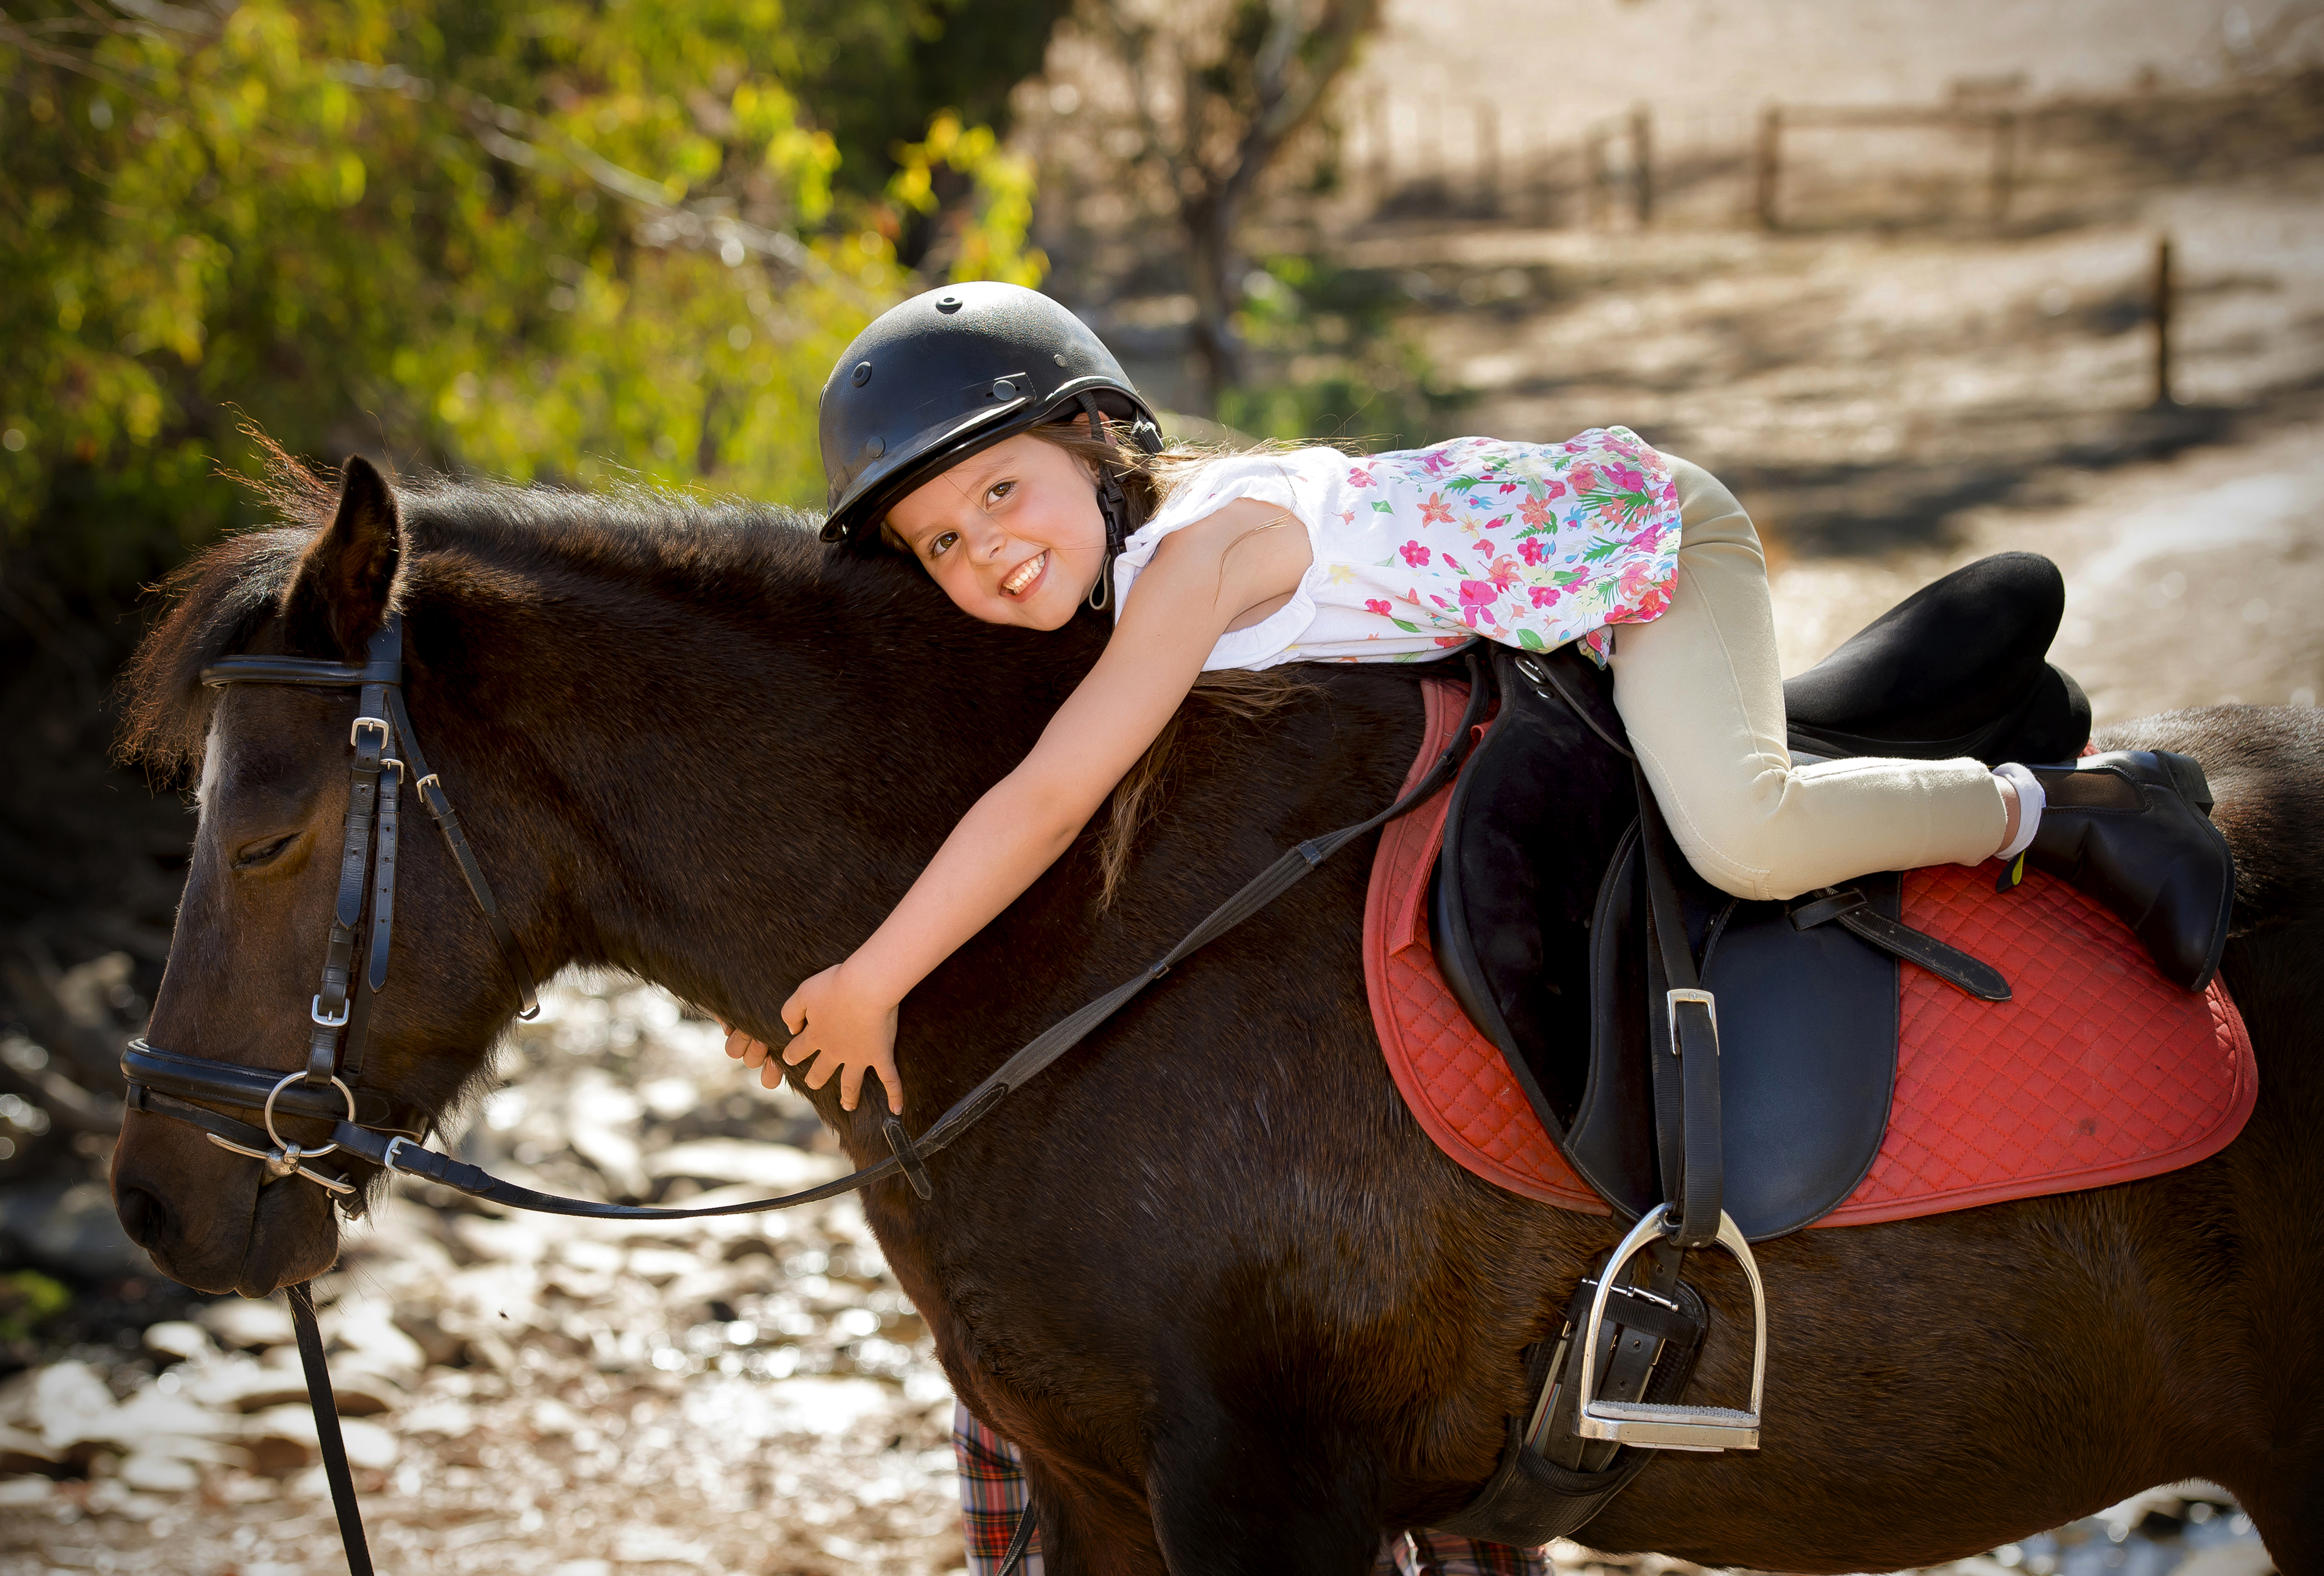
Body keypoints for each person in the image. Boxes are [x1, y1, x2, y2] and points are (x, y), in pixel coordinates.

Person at [722, 281, 2233, 1115]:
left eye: (1000, 489)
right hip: (1531, 612)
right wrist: (838, 970)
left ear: (1097, 445)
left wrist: (881, 978)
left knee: (1739, 832)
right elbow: (1000, 776)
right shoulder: (1116, 585)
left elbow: (1051, 794)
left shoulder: (1196, 559)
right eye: (938, 541)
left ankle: (2070, 807)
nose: (985, 547)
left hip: (1646, 545)